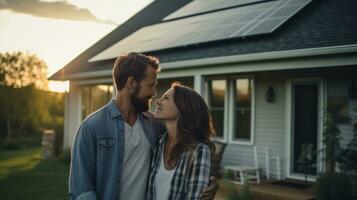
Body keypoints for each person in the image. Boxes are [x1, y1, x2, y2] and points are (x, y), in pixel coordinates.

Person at [69, 52, 218, 200]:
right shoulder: (91, 127)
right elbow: (82, 190)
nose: (154, 93)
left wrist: (210, 181)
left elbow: (187, 139)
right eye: (151, 85)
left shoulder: (155, 125)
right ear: (131, 83)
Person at [147, 83, 216, 200]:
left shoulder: (198, 151)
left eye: (166, 98)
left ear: (183, 107)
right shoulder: (157, 144)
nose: (157, 101)